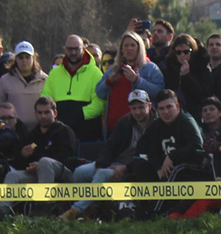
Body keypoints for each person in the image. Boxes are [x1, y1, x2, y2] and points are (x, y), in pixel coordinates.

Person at [60, 90, 156, 221]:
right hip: (114, 162)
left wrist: (124, 167)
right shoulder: (124, 122)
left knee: (101, 175)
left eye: (141, 107)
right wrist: (100, 165)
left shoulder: (156, 125)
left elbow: (149, 156)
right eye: (134, 108)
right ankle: (88, 210)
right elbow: (110, 147)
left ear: (149, 106)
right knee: (80, 172)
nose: (138, 112)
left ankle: (75, 210)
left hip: (134, 167)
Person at [0, 97, 76, 216]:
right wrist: (22, 155)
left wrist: (40, 165)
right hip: (37, 174)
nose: (43, 116)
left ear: (55, 113)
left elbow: (67, 157)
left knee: (45, 162)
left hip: (62, 173)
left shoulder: (64, 131)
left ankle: (44, 207)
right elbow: (18, 164)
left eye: (47, 112)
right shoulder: (31, 134)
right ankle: (1, 212)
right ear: (35, 114)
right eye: (40, 113)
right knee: (12, 175)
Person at [95, 31, 163, 135]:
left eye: (133, 45)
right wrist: (109, 82)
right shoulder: (113, 69)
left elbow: (159, 92)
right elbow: (99, 92)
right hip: (114, 126)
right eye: (126, 46)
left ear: (139, 48)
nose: (129, 48)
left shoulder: (150, 68)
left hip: (140, 126)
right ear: (121, 49)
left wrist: (136, 80)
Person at [40, 35, 104, 142]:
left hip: (86, 132)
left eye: (77, 49)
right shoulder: (54, 73)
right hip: (59, 132)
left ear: (83, 50)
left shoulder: (95, 73)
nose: (73, 52)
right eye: (70, 49)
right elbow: (45, 98)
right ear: (64, 50)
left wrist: (79, 114)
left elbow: (100, 103)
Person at [0, 42, 49, 134]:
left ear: (34, 58)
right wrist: (4, 125)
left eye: (27, 57)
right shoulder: (5, 80)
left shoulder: (45, 80)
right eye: (20, 57)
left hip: (39, 132)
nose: (24, 61)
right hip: (13, 133)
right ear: (15, 59)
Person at [162, 34, 213, 115]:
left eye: (186, 52)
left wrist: (187, 76)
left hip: (196, 111)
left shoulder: (202, 67)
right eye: (178, 52)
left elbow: (204, 95)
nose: (182, 55)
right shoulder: (170, 69)